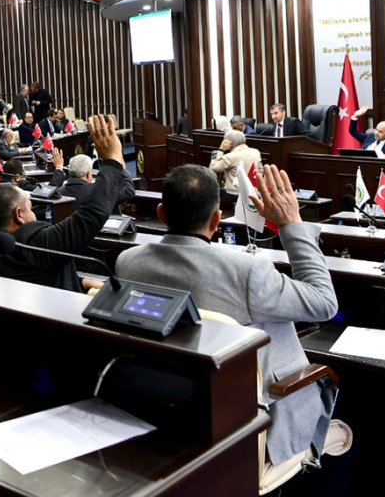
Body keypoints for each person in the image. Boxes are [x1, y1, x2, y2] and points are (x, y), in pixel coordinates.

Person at [114, 163, 338, 470]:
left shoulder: (127, 262)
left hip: (169, 400)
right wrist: (291, 224)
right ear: (217, 219)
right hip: (249, 417)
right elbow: (324, 303)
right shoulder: (247, 272)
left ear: (162, 213)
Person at [0, 115, 122, 292]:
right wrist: (112, 162)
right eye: (30, 209)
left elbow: (36, 277)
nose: (33, 214)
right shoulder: (33, 244)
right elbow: (89, 216)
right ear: (19, 215)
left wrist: (81, 282)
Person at [57, 152, 135, 212]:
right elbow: (129, 191)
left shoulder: (59, 193)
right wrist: (122, 168)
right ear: (88, 174)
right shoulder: (97, 191)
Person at [1, 154, 67, 192]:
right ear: (17, 177)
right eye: (24, 174)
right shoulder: (21, 186)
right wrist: (59, 168)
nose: (25, 177)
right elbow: (49, 191)